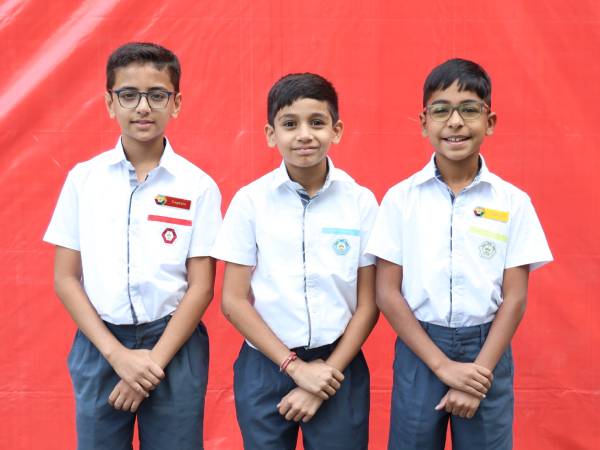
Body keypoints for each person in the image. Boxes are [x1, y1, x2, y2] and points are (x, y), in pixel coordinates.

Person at [366, 58, 553, 449]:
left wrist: (477, 374)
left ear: (490, 121)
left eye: (469, 110)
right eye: (441, 111)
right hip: (420, 347)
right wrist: (441, 365)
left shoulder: (512, 202)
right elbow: (386, 292)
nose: (455, 122)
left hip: (487, 350)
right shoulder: (400, 199)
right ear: (424, 123)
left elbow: (515, 298)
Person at [43, 42, 221, 450]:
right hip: (101, 342)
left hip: (173, 344)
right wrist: (116, 355)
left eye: (157, 95)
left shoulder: (197, 186)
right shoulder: (84, 180)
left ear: (176, 103)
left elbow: (201, 286)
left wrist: (152, 362)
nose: (143, 107)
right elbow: (66, 278)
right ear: (110, 103)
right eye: (129, 95)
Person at [211, 73, 379, 450]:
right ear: (271, 134)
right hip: (265, 364)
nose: (304, 135)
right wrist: (294, 368)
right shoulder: (250, 202)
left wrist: (325, 375)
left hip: (339, 364)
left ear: (336, 130)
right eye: (290, 124)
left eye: (317, 122)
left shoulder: (360, 202)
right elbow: (233, 300)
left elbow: (368, 304)